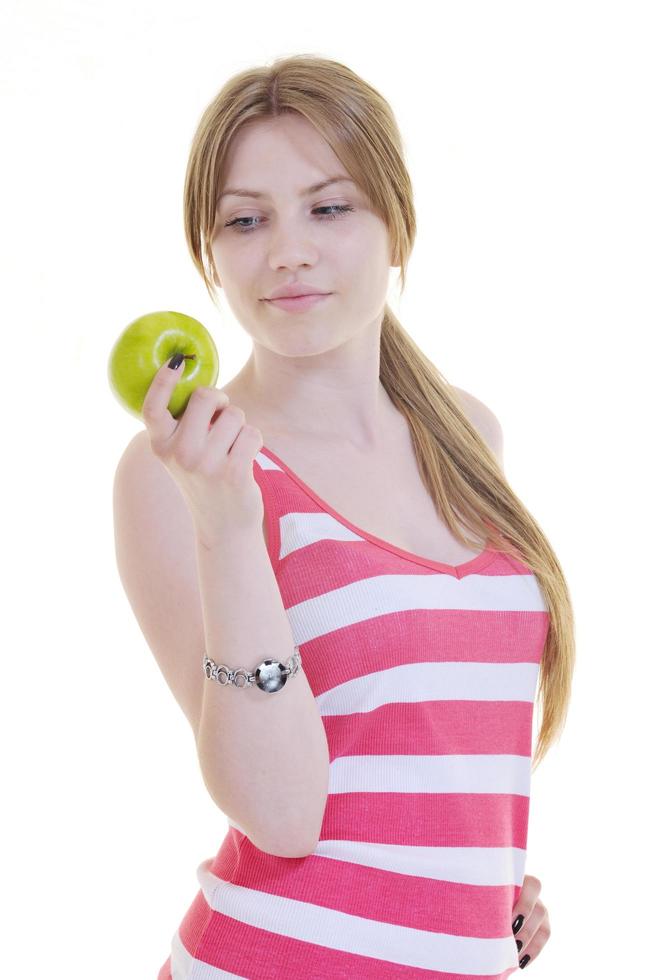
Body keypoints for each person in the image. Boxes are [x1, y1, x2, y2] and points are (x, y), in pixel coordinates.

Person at [113, 55, 569, 978]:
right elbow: (279, 813)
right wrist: (231, 521)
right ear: (211, 255)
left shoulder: (467, 434)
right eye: (246, 220)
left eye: (330, 207)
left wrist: (473, 882)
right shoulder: (179, 472)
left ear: (397, 226)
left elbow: (436, 736)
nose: (287, 250)